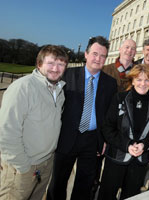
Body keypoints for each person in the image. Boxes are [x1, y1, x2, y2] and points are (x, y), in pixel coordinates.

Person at [47, 36, 117, 200]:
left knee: (85, 185)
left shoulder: (110, 83)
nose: (98, 59)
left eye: (102, 56)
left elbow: (109, 115)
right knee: (58, 182)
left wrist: (106, 138)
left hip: (93, 140)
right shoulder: (67, 75)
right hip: (67, 137)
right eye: (95, 53)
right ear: (86, 54)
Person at [0, 45, 68, 200]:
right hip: (22, 167)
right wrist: (23, 166)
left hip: (45, 164)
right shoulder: (23, 87)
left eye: (61, 64)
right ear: (39, 64)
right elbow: (7, 131)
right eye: (51, 63)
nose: (55, 69)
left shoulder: (59, 90)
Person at [98, 64, 149, 200]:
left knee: (131, 196)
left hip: (140, 161)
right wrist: (127, 145)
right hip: (116, 157)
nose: (143, 83)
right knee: (106, 195)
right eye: (139, 79)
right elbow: (107, 127)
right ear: (132, 81)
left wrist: (144, 145)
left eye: (147, 80)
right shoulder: (119, 98)